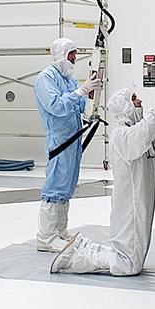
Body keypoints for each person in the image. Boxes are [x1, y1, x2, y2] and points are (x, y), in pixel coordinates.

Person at [50, 88, 155, 276]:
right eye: (134, 99)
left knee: (129, 256)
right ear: (124, 106)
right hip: (130, 204)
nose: (139, 102)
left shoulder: (132, 130)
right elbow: (144, 133)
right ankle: (74, 258)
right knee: (128, 264)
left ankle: (83, 247)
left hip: (139, 201)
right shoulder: (121, 134)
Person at [34, 38, 99, 252]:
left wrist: (89, 94)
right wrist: (80, 92)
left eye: (75, 54)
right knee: (55, 185)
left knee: (67, 184)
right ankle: (46, 236)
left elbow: (78, 106)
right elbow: (55, 106)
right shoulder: (46, 78)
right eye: (71, 54)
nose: (74, 58)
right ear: (61, 54)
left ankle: (60, 231)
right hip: (59, 140)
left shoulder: (69, 79)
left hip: (73, 138)